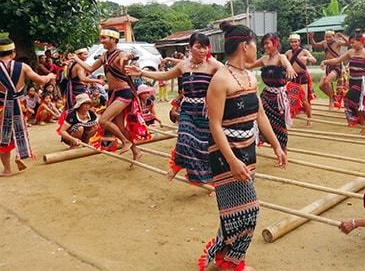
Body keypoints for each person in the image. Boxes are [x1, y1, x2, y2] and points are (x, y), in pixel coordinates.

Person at [198, 21, 287, 271]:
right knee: (245, 209)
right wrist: (232, 160)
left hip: (247, 149)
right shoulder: (221, 79)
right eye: (254, 45)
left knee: (238, 209)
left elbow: (259, 115)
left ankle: (234, 260)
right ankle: (225, 260)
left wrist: (276, 145)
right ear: (243, 46)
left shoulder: (249, 76)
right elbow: (214, 125)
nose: (256, 50)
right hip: (226, 153)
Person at [126, 32, 223, 186]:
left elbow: (229, 76)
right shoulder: (183, 65)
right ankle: (178, 166)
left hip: (206, 111)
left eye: (205, 47)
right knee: (184, 140)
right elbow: (164, 75)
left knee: (206, 147)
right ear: (190, 48)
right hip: (187, 110)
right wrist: (142, 72)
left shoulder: (214, 65)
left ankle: (212, 181)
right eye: (198, 47)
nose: (202, 51)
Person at [68, 27, 146, 162]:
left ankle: (125, 142)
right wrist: (76, 59)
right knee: (120, 126)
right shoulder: (104, 55)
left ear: (113, 39)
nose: (101, 41)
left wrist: (126, 60)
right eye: (101, 38)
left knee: (104, 121)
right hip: (114, 93)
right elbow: (90, 68)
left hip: (124, 93)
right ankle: (136, 150)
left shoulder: (120, 54)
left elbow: (123, 65)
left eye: (104, 38)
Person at [0, 38, 56, 176]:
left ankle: (7, 170)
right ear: (13, 52)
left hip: (2, 106)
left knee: (4, 136)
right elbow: (41, 80)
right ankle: (20, 156)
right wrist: (49, 75)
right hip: (20, 105)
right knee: (19, 131)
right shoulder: (23, 67)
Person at [321, 31, 365, 134]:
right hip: (353, 80)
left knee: (357, 104)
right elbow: (337, 60)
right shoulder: (351, 52)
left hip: (362, 81)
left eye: (354, 42)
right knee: (350, 102)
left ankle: (364, 125)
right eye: (351, 43)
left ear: (361, 42)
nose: (352, 45)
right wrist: (325, 61)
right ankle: (363, 121)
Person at [245, 32, 296, 151]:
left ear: (275, 44)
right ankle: (265, 140)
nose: (265, 47)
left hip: (279, 97)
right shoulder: (264, 59)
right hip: (266, 96)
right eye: (263, 44)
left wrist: (289, 68)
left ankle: (282, 150)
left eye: (267, 43)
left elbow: (287, 64)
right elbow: (249, 65)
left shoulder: (281, 57)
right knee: (259, 119)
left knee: (279, 124)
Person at [308, 30, 347, 110]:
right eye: (326, 37)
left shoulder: (338, 42)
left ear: (333, 36)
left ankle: (331, 101)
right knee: (321, 86)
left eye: (330, 37)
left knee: (327, 81)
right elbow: (314, 45)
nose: (328, 38)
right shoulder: (324, 43)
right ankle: (332, 97)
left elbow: (348, 43)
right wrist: (311, 38)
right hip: (328, 66)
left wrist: (342, 36)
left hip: (337, 66)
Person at [285, 34, 316, 127]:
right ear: (290, 43)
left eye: (295, 42)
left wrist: (307, 58)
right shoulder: (288, 53)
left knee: (304, 99)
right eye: (292, 42)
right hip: (293, 77)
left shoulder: (304, 51)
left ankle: (309, 118)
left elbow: (314, 60)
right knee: (292, 98)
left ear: (299, 42)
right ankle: (291, 116)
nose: (294, 43)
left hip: (303, 77)